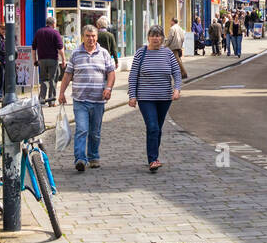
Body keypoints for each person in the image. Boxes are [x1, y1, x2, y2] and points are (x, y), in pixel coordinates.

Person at [57, 24, 117, 171]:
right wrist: (61, 92)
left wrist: (108, 88)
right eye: (88, 36)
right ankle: (80, 159)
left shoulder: (103, 53)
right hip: (80, 100)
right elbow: (68, 74)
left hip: (98, 100)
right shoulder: (76, 54)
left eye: (93, 36)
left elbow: (111, 73)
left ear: (97, 37)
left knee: (95, 132)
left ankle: (94, 157)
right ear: (83, 37)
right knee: (82, 129)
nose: (91, 39)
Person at [127, 25, 182, 172]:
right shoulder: (141, 53)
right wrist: (132, 95)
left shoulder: (168, 53)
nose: (156, 38)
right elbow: (133, 75)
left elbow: (176, 72)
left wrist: (177, 89)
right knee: (152, 127)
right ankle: (153, 159)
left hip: (164, 98)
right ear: (148, 37)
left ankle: (153, 156)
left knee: (157, 128)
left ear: (163, 38)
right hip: (146, 98)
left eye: (158, 36)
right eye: (153, 35)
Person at [32, 17, 64, 105]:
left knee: (43, 80)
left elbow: (34, 48)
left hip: (41, 60)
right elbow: (60, 48)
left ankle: (41, 100)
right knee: (53, 80)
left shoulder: (39, 32)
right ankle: (51, 101)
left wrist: (35, 60)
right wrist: (64, 60)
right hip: (53, 60)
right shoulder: (55, 33)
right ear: (53, 23)